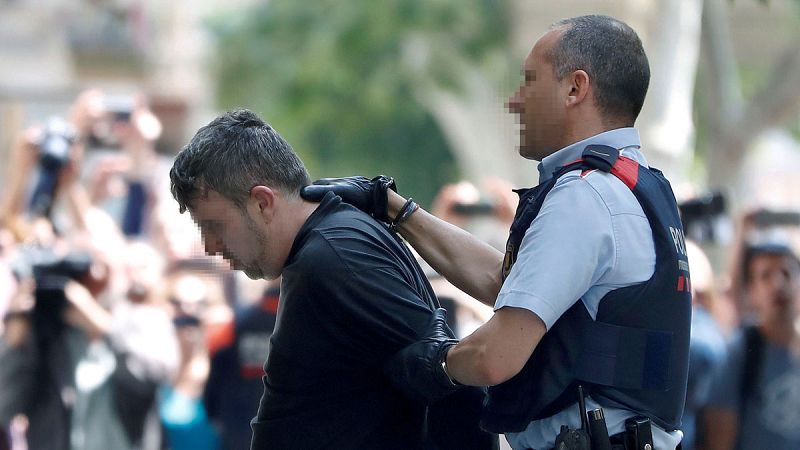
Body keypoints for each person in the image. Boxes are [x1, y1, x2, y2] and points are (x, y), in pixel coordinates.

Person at [303, 15, 692, 450]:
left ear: (574, 88)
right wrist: (394, 208)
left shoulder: (585, 196)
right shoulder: (636, 185)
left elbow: (494, 357)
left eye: (529, 80)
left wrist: (427, 364)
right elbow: (505, 284)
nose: (514, 101)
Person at [168, 109, 497, 449]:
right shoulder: (326, 249)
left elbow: (455, 383)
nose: (210, 246)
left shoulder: (333, 260)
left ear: (263, 202)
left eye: (214, 227)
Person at [702, 224, 800, 450]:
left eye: (787, 272)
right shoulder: (741, 353)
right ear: (751, 292)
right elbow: (719, 440)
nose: (778, 284)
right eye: (766, 276)